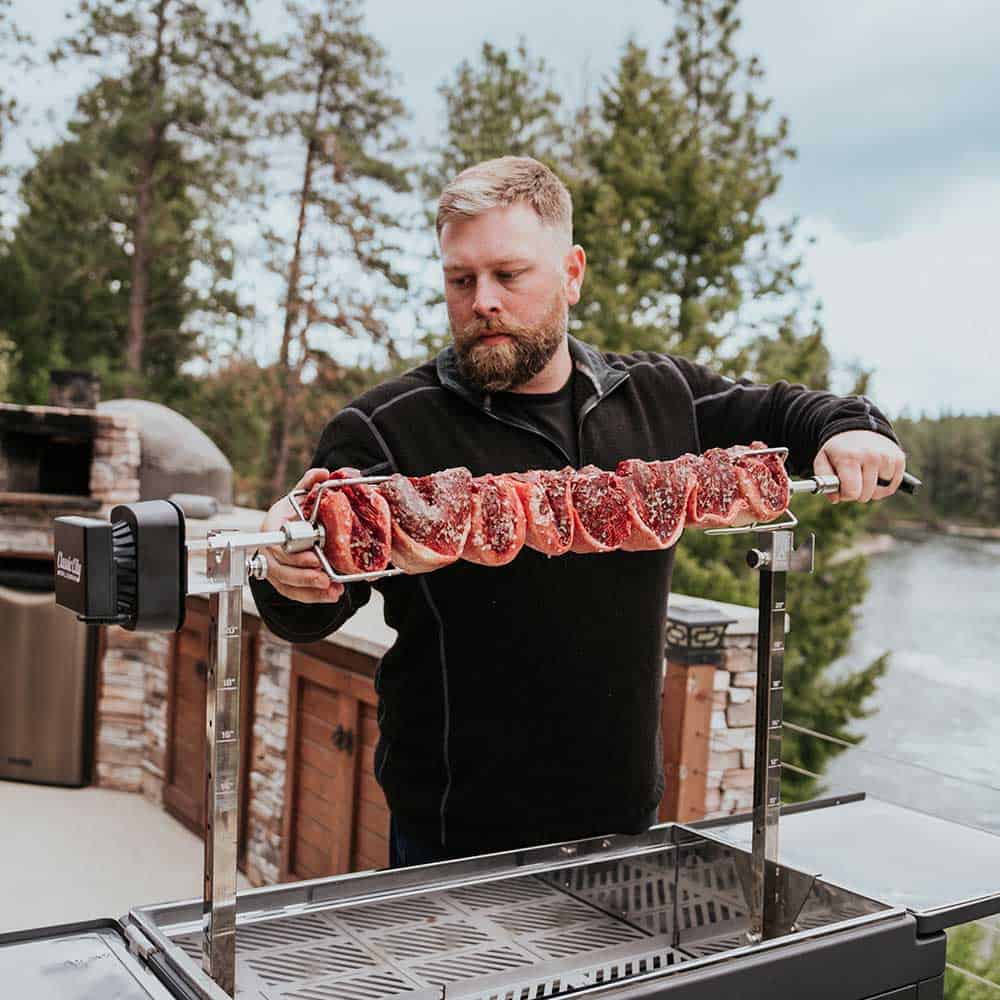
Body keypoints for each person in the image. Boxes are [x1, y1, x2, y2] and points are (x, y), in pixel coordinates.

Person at [249, 156, 906, 868]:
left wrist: (855, 428)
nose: (484, 301)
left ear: (571, 273)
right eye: (461, 280)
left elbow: (786, 409)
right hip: (452, 830)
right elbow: (305, 607)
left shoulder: (660, 395)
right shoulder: (385, 425)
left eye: (509, 274)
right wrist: (283, 571)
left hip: (620, 815)